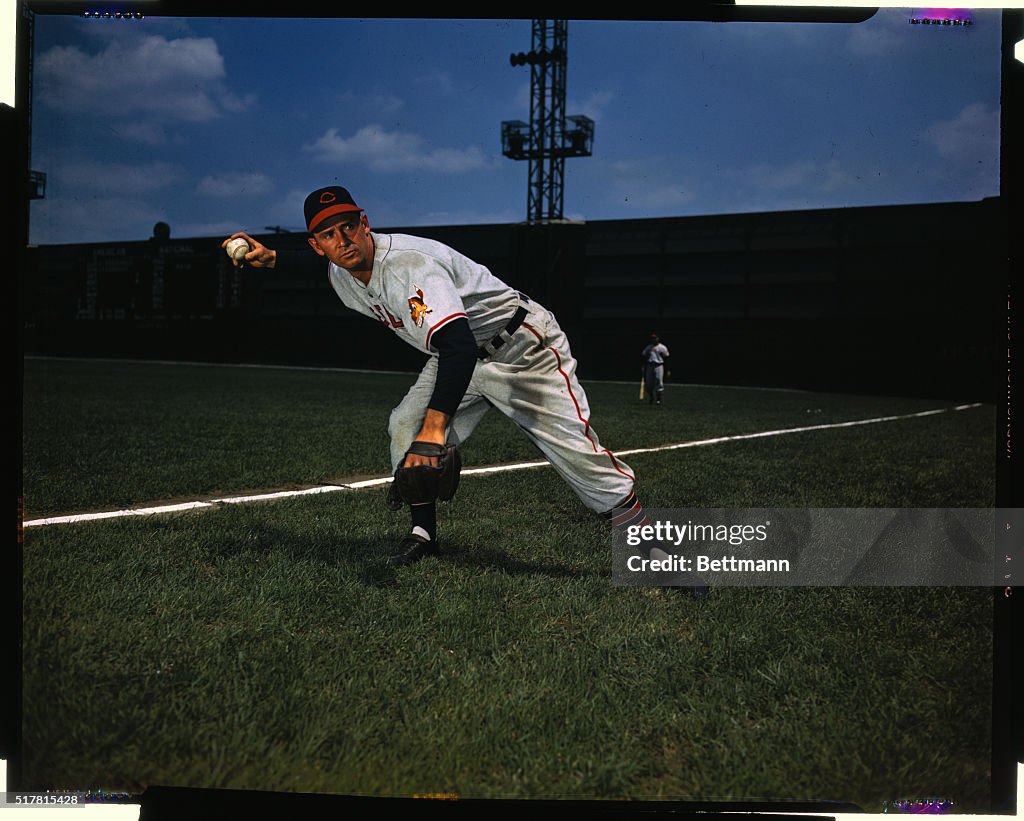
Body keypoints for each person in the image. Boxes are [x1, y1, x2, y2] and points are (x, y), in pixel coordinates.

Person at [222, 186, 704, 595]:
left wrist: (438, 430)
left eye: (348, 226)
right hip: (464, 356)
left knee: (575, 453)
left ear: (365, 223)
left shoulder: (409, 265)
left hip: (522, 350)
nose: (342, 239)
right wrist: (271, 258)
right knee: (403, 425)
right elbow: (332, 270)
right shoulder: (341, 270)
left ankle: (657, 554)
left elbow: (453, 345)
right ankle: (423, 532)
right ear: (317, 244)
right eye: (328, 233)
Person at [641, 333, 670, 405]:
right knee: (648, 384)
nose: (654, 339)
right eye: (652, 338)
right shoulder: (648, 347)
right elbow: (643, 356)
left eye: (655, 338)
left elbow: (667, 358)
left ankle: (658, 399)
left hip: (659, 366)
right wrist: (643, 366)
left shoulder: (662, 347)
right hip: (650, 366)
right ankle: (651, 397)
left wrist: (668, 369)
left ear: (658, 338)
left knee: (659, 382)